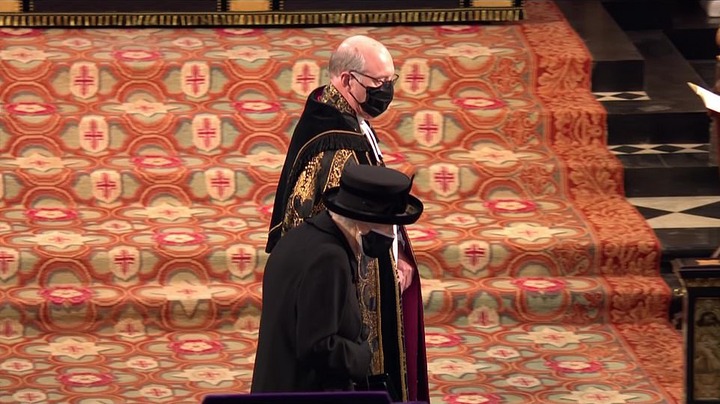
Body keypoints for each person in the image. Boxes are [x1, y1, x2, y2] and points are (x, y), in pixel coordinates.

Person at [264, 35, 429, 402]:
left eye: (391, 81)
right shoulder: (336, 146)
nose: (386, 91)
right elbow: (345, 230)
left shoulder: (344, 114)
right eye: (379, 84)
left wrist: (398, 253)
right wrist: (363, 351)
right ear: (346, 80)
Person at [252, 164, 424, 397]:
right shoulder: (328, 260)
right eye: (389, 224)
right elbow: (317, 347)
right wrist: (363, 356)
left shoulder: (306, 237)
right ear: (364, 222)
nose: (392, 235)